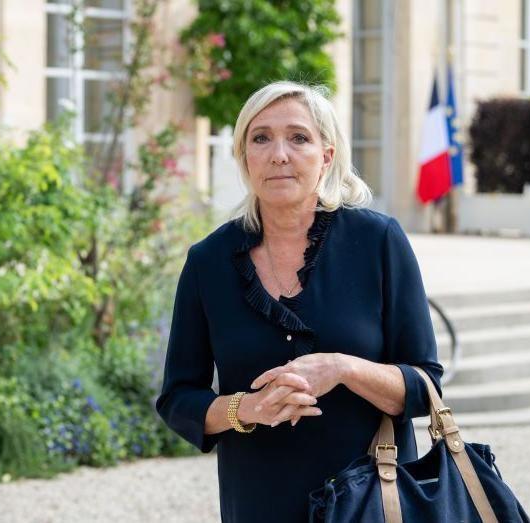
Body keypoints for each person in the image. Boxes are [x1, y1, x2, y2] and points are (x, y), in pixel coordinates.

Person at [155, 81, 443, 522]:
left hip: (372, 503)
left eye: (299, 137)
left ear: (326, 155)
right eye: (261, 138)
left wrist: (343, 368)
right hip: (258, 504)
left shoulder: (378, 241)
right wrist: (245, 408)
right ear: (244, 157)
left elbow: (426, 386)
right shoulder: (207, 262)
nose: (279, 154)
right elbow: (178, 399)